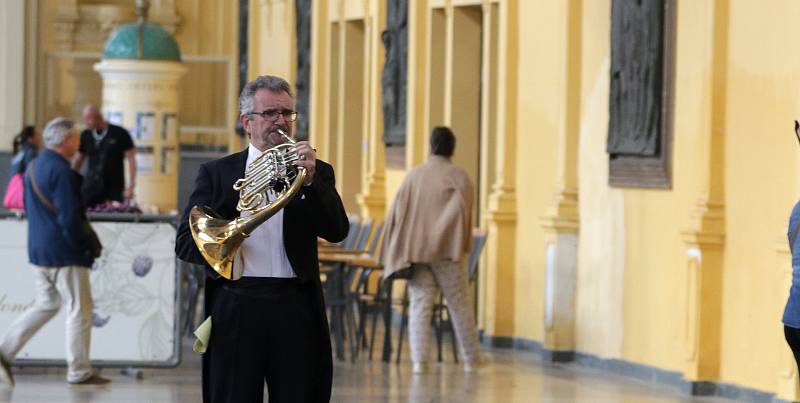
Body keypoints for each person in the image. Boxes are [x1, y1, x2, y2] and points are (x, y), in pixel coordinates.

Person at [175, 75, 349, 403]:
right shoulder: (217, 173)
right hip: (236, 303)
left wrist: (312, 183)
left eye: (287, 113)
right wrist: (230, 234)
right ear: (247, 122)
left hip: (295, 303)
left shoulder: (315, 171)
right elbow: (185, 241)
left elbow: (337, 231)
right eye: (270, 113)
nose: (281, 120)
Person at [0, 117, 108, 387]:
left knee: (47, 304)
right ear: (64, 141)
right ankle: (79, 370)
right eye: (75, 138)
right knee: (79, 310)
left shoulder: (34, 165)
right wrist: (85, 246)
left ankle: (3, 352)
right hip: (64, 253)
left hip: (39, 250)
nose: (78, 142)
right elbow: (70, 217)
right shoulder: (62, 172)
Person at [380, 126, 483, 374]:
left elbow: (397, 213)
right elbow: (463, 214)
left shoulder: (414, 175)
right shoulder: (460, 177)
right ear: (452, 148)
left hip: (416, 250)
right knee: (459, 305)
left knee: (420, 304)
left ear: (431, 146)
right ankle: (470, 359)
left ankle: (419, 362)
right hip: (448, 251)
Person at [72, 104, 136, 207]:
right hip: (91, 186)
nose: (86, 122)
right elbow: (78, 159)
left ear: (98, 117)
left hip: (114, 186)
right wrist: (71, 179)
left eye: (88, 119)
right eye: (85, 119)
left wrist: (131, 186)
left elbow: (131, 159)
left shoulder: (119, 133)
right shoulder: (86, 135)